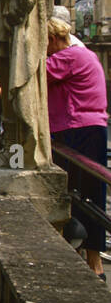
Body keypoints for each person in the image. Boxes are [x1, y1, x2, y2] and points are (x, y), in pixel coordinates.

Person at [46, 17, 108, 278]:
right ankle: (93, 261)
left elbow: (31, 74)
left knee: (75, 193)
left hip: (77, 127)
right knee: (91, 192)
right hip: (91, 126)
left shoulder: (67, 57)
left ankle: (92, 263)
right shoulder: (86, 55)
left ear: (52, 39)